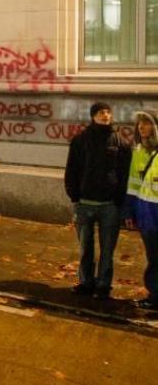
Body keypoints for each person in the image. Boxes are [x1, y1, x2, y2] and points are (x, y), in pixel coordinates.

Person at [64, 102, 131, 300]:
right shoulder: (80, 140)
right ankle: (86, 282)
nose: (106, 115)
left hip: (110, 205)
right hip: (85, 204)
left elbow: (125, 173)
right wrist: (74, 196)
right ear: (93, 116)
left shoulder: (120, 141)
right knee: (86, 248)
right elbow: (72, 170)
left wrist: (120, 198)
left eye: (109, 112)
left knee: (108, 249)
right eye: (101, 112)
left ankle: (103, 285)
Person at [123, 110, 158, 310]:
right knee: (153, 257)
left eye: (146, 123)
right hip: (147, 214)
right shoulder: (138, 150)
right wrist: (129, 212)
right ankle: (155, 295)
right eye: (140, 124)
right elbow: (133, 183)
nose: (141, 127)